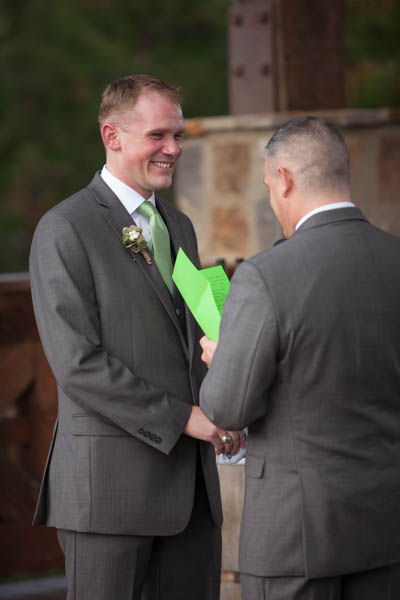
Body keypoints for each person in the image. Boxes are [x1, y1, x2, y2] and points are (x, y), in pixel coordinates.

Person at [30, 74, 242, 600]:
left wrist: (230, 407)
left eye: (178, 135)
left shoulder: (180, 226)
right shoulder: (65, 228)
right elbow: (77, 364)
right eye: (157, 136)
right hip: (111, 496)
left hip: (193, 495)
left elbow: (199, 330)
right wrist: (185, 418)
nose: (173, 148)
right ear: (112, 136)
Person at [199, 116, 400, 600]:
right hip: (386, 526)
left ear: (284, 179)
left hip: (297, 536)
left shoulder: (266, 274)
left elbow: (226, 407)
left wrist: (224, 358)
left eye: (269, 187)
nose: (272, 200)